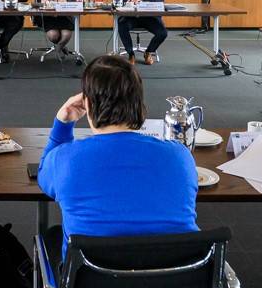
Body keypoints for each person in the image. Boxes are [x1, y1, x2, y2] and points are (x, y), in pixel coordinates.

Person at [38, 55, 197, 255]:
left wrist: (62, 124)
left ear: (86, 103)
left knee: (51, 236)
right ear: (139, 103)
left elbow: (43, 177)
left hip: (90, 282)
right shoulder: (181, 157)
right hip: (178, 280)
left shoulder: (64, 159)